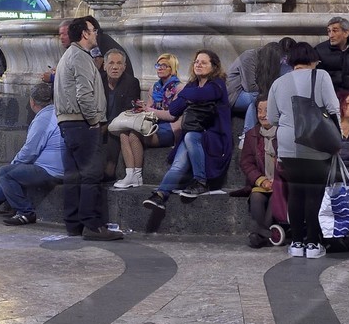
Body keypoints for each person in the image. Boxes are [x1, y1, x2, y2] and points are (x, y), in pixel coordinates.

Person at [261, 41, 338, 259]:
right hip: (316, 141)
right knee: (314, 193)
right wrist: (336, 138)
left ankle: (296, 243)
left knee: (295, 192)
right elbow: (333, 108)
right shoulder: (321, 76)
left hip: (288, 145)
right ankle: (313, 244)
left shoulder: (278, 82)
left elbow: (272, 118)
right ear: (313, 59)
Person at [140, 50, 234, 215]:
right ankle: (161, 194)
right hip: (195, 134)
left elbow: (203, 94)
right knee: (178, 163)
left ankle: (201, 181)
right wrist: (188, 95)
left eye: (204, 62)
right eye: (197, 61)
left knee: (190, 136)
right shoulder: (192, 85)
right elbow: (174, 110)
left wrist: (183, 95)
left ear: (214, 67)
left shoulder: (217, 84)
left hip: (214, 136)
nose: (198, 64)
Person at [53, 18, 122, 240]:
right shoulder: (80, 57)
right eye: (93, 31)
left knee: (73, 176)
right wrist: (94, 121)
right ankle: (92, 226)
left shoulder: (68, 56)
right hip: (82, 123)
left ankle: (73, 224)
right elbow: (84, 94)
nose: (96, 34)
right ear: (84, 34)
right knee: (91, 175)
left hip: (69, 123)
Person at [0, 83, 63, 226]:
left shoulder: (43, 119)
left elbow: (30, 151)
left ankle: (25, 212)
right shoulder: (58, 112)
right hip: (61, 168)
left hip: (50, 171)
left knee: (5, 173)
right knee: (12, 173)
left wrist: (14, 163)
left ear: (32, 102)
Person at [239, 99, 287, 248]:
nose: (262, 115)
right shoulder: (252, 134)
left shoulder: (285, 133)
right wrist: (261, 180)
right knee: (256, 196)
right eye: (259, 111)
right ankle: (264, 234)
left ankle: (259, 235)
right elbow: (246, 163)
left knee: (275, 197)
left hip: (282, 182)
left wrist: (277, 180)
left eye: (266, 110)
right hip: (263, 182)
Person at [100, 50, 145, 188]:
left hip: (119, 124)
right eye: (111, 63)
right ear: (104, 66)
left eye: (119, 63)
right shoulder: (98, 81)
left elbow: (128, 110)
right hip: (98, 123)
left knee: (118, 134)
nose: (115, 67)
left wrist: (107, 126)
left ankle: (109, 170)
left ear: (124, 67)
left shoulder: (131, 82)